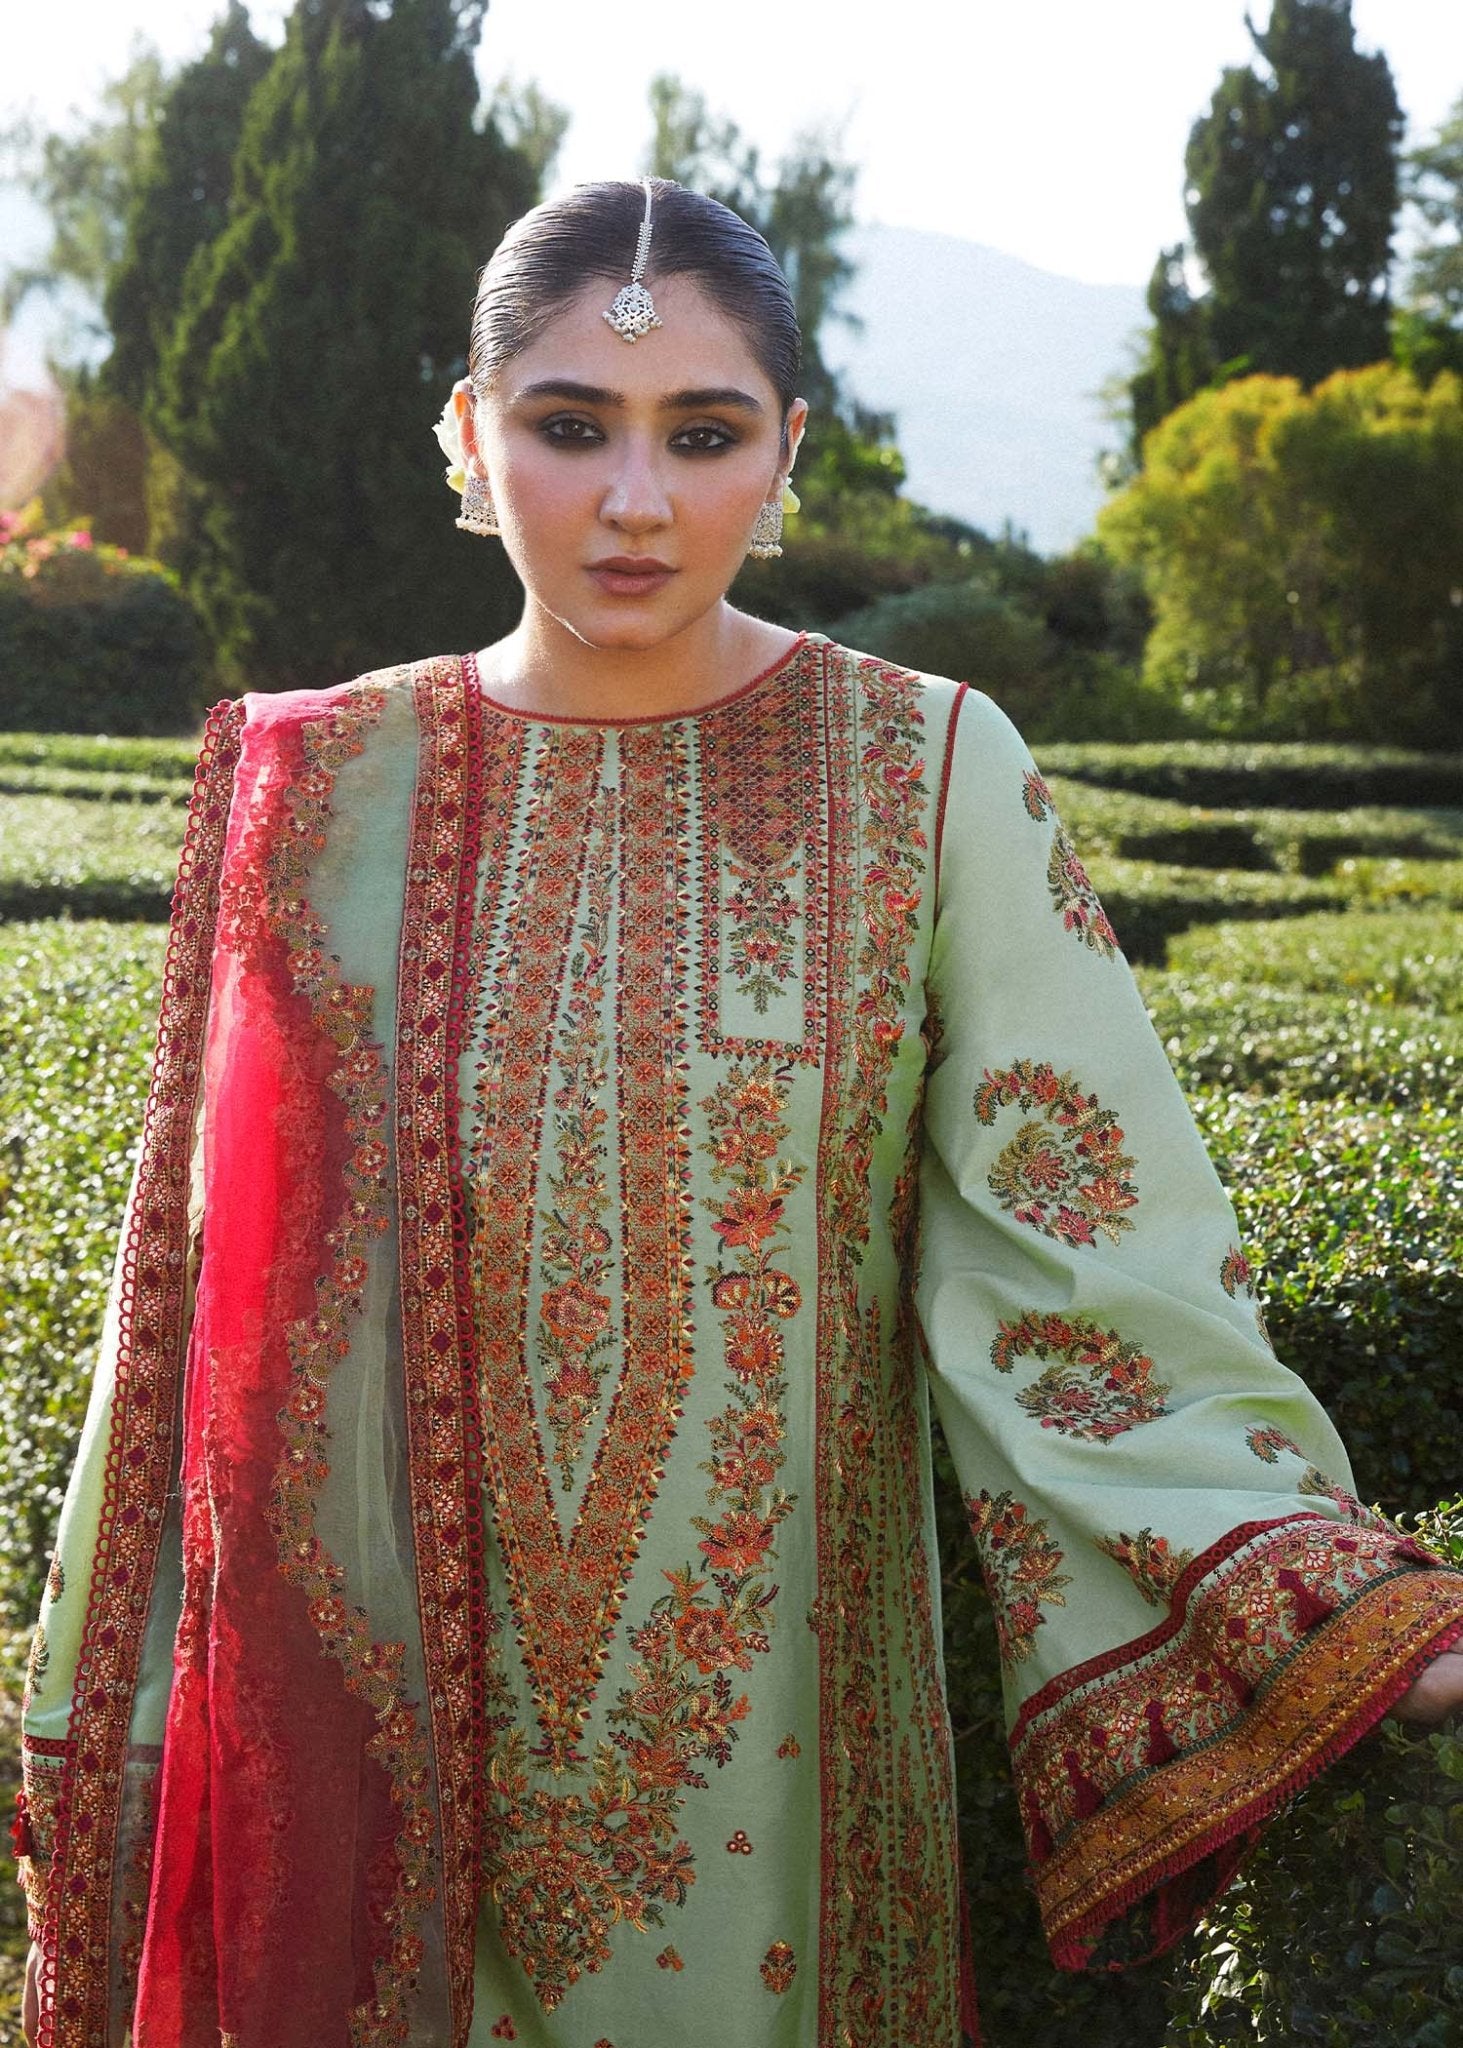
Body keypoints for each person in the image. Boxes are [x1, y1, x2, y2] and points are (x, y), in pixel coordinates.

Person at [15, 176, 1463, 2048]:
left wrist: (1330, 1601)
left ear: (787, 451)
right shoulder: (324, 792)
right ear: (468, 433)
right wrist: (103, 1695)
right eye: (569, 426)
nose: (636, 500)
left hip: (774, 1785)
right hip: (375, 1765)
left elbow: (1089, 1265)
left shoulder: (923, 767)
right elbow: (186, 1324)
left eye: (701, 435)